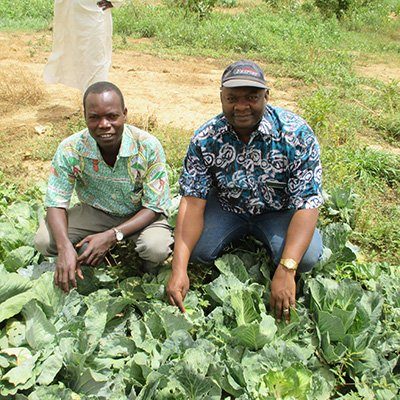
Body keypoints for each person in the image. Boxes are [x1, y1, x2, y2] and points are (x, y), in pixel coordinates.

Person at [166, 60, 323, 322]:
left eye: (251, 97)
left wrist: (286, 270)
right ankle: (236, 233)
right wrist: (178, 269)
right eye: (232, 98)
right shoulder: (206, 139)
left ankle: (290, 245)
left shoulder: (296, 135)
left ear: (266, 96)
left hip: (279, 210)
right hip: (228, 207)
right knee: (196, 252)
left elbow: (307, 202)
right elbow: (192, 203)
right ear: (221, 97)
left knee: (305, 259)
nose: (241, 106)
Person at [35, 81, 173, 292]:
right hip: (96, 212)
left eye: (112, 116)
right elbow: (56, 202)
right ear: (85, 117)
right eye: (94, 117)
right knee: (45, 241)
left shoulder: (147, 146)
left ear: (124, 114)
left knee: (155, 248)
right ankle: (82, 257)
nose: (104, 124)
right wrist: (63, 248)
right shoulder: (71, 148)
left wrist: (112, 235)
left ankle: (146, 275)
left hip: (142, 215)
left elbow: (154, 207)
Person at [43, 0, 124, 91]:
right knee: (92, 59)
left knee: (94, 59)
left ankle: (94, 98)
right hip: (83, 14)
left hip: (88, 13)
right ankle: (93, 99)